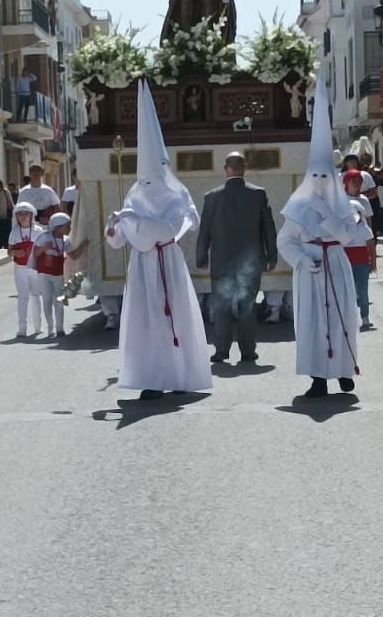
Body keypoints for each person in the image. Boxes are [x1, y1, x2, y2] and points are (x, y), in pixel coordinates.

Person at [104, 80, 212, 401]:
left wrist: (134, 221)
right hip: (141, 268)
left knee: (173, 316)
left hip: (167, 263)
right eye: (144, 179)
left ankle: (180, 374)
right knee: (146, 322)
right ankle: (151, 377)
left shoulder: (176, 198)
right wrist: (114, 228)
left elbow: (166, 230)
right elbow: (119, 241)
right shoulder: (135, 197)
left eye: (152, 178)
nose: (148, 184)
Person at [275, 76, 362, 399]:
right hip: (310, 270)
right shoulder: (298, 205)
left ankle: (342, 370)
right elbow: (286, 240)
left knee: (342, 317)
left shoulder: (343, 205)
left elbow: (350, 236)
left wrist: (327, 215)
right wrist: (301, 260)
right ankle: (317, 377)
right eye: (317, 177)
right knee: (312, 322)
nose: (322, 182)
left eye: (327, 177)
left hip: (336, 264)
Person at [195, 151, 278, 365]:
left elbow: (205, 230)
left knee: (221, 306)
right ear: (245, 168)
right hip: (250, 263)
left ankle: (221, 351)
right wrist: (272, 255)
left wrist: (201, 257)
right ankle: (247, 351)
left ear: (226, 169)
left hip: (221, 260)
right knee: (247, 306)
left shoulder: (211, 197)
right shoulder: (258, 194)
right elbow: (268, 227)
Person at [342, 170, 378, 331]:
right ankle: (347, 318)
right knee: (347, 289)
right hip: (345, 258)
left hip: (361, 259)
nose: (356, 184)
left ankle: (365, 316)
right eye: (353, 181)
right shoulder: (340, 202)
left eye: (359, 181)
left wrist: (373, 261)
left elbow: (370, 242)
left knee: (362, 289)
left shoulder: (364, 228)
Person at [33, 212, 73, 338]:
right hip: (44, 274)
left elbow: (74, 254)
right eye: (67, 226)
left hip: (58, 274)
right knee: (47, 300)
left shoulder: (65, 240)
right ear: (58, 226)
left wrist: (84, 245)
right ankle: (50, 327)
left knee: (59, 301)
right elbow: (35, 254)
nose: (69, 228)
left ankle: (59, 328)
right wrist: (44, 248)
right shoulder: (44, 237)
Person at [8, 201, 44, 337]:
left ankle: (38, 326)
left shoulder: (39, 231)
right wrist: (15, 253)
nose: (23, 216)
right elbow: (9, 251)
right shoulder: (14, 232)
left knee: (35, 296)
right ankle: (22, 328)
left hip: (34, 268)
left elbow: (44, 248)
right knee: (22, 297)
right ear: (16, 217)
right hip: (20, 268)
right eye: (20, 214)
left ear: (31, 215)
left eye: (26, 214)